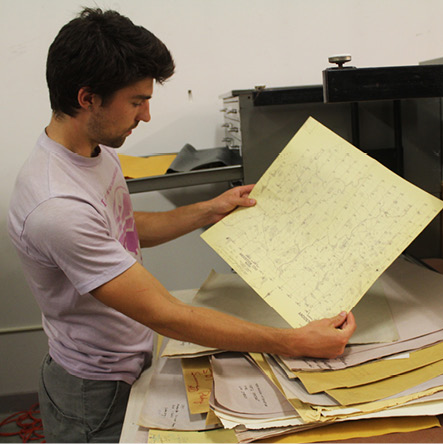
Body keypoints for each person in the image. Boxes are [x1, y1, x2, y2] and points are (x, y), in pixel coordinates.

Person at [7, 9, 356, 442]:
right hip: (92, 393)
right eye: (137, 101)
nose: (147, 115)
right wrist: (293, 342)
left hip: (128, 362)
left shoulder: (95, 151)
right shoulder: (55, 204)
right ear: (87, 98)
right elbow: (165, 314)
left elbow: (121, 227)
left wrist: (209, 210)